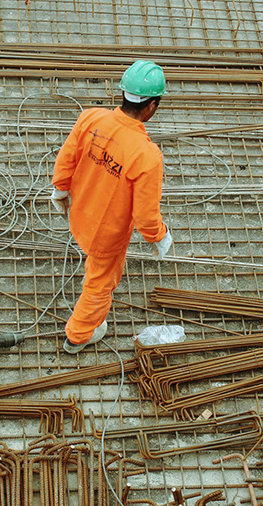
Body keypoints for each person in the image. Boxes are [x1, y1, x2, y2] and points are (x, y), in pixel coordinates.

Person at [49, 60, 173, 354]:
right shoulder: (147, 155)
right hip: (107, 234)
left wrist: (60, 189)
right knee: (99, 284)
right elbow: (145, 216)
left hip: (80, 213)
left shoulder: (91, 119)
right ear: (152, 106)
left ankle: (83, 328)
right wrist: (160, 236)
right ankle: (78, 335)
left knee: (95, 269)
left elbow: (66, 158)